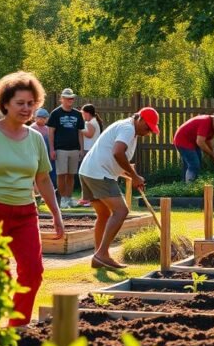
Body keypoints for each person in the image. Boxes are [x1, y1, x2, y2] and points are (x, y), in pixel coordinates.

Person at [0, 71, 64, 326]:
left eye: (30, 103)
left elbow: (43, 179)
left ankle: (18, 328)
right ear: (4, 103)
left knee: (33, 273)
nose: (26, 109)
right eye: (20, 103)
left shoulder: (36, 138)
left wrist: (56, 215)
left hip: (25, 214)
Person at [79, 107, 160, 269]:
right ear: (140, 119)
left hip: (88, 171)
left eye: (151, 130)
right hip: (99, 173)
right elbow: (117, 153)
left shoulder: (128, 128)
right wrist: (134, 176)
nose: (148, 132)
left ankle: (98, 256)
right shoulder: (128, 128)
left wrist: (134, 176)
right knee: (121, 211)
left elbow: (115, 157)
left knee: (104, 214)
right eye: (148, 127)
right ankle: (102, 254)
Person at [47, 87, 85, 208]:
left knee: (71, 174)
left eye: (72, 98)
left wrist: (81, 149)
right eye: (68, 98)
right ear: (62, 99)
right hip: (60, 148)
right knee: (61, 174)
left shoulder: (78, 114)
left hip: (74, 148)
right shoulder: (55, 113)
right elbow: (51, 132)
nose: (70, 100)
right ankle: (63, 198)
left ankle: (69, 198)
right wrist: (52, 149)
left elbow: (80, 132)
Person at [173, 111, 214, 181]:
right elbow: (200, 142)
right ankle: (190, 187)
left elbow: (209, 141)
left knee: (194, 163)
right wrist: (212, 154)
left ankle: (185, 183)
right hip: (183, 140)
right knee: (194, 164)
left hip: (192, 142)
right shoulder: (205, 122)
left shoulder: (213, 127)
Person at [77, 104, 104, 205]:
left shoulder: (91, 123)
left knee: (88, 174)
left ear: (87, 113)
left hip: (90, 150)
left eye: (83, 113)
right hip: (90, 150)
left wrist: (80, 128)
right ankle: (88, 197)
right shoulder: (91, 122)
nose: (83, 115)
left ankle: (89, 198)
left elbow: (89, 134)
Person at [30, 106, 56, 190]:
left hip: (46, 155)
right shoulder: (32, 128)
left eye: (45, 118)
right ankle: (36, 190)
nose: (43, 120)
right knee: (36, 172)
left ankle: (45, 189)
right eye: (41, 118)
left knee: (45, 172)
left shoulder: (47, 129)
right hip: (35, 154)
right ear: (36, 118)